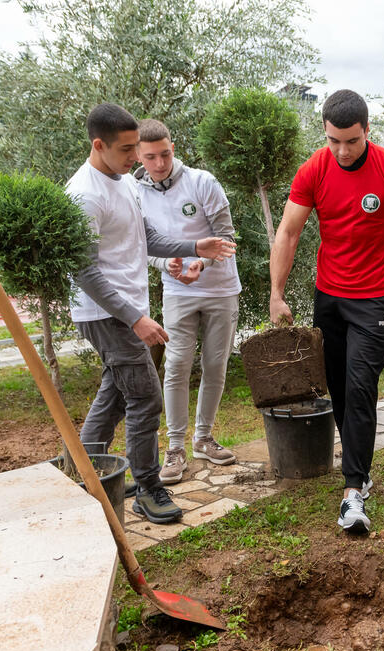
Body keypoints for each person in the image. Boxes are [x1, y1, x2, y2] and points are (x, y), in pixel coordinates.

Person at [269, 89, 384, 534]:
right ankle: (361, 470)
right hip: (331, 297)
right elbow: (288, 232)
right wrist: (276, 292)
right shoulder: (314, 170)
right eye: (333, 141)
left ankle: (352, 492)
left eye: (351, 141)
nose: (342, 151)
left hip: (377, 298)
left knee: (361, 386)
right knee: (340, 389)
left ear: (367, 131)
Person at [69, 103, 235, 524]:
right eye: (128, 150)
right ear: (98, 145)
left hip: (122, 311)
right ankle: (147, 486)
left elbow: (147, 238)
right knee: (145, 396)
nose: (135, 158)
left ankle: (87, 475)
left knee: (114, 395)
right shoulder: (85, 194)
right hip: (105, 312)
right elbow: (85, 271)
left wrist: (196, 248)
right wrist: (135, 318)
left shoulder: (121, 181)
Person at [133, 119, 242, 485]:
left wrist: (203, 262)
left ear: (172, 148)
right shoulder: (134, 192)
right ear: (138, 155)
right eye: (151, 157)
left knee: (215, 364)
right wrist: (167, 263)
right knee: (177, 364)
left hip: (220, 288)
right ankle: (175, 448)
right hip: (177, 291)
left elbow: (226, 236)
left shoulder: (203, 182)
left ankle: (204, 438)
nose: (160, 163)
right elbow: (141, 248)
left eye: (165, 154)